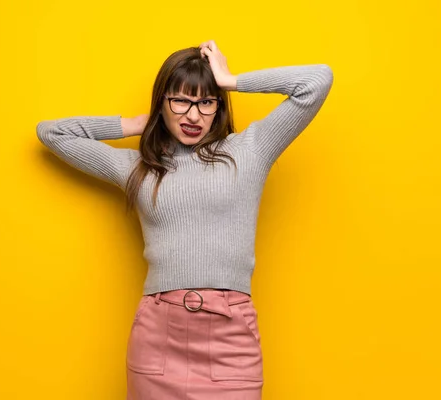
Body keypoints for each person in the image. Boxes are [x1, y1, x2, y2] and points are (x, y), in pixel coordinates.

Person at [36, 40, 334, 400]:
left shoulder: (251, 149)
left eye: (206, 102)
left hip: (231, 339)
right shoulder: (138, 167)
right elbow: (51, 133)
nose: (193, 116)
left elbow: (317, 80)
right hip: (159, 336)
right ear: (162, 102)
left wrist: (229, 79)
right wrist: (136, 123)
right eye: (180, 100)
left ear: (218, 106)